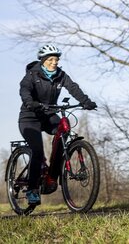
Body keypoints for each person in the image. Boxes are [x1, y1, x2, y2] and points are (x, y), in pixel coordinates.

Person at [18, 44, 97, 207]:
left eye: (56, 59)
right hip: (30, 117)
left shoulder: (61, 75)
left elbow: (73, 88)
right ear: (44, 60)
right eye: (51, 59)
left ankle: (52, 176)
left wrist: (86, 102)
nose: (54, 62)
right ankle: (33, 190)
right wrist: (31, 103)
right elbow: (24, 90)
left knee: (64, 127)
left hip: (48, 115)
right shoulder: (32, 74)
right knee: (37, 152)